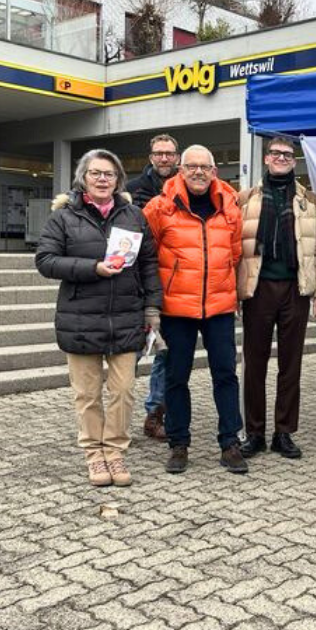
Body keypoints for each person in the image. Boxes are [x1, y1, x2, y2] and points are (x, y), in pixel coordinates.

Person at [36, 149, 161, 487]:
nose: (102, 179)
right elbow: (45, 260)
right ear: (84, 178)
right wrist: (93, 268)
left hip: (126, 316)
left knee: (123, 391)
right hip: (80, 317)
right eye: (96, 173)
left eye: (109, 173)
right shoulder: (64, 217)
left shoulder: (134, 215)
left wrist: (152, 308)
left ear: (118, 179)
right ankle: (94, 455)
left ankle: (115, 451)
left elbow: (149, 264)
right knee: (88, 394)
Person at [143, 145, 246, 475]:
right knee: (176, 377)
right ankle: (178, 443)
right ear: (181, 170)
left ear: (214, 171)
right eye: (191, 166)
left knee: (226, 375)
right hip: (176, 308)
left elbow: (235, 253)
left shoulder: (230, 206)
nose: (198, 172)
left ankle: (230, 442)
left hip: (219, 306)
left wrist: (234, 293)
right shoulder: (159, 207)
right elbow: (147, 255)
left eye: (205, 167)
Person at [237, 137, 316, 460]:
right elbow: (235, 247)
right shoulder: (246, 198)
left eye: (287, 155)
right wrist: (235, 291)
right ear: (266, 159)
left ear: (294, 161)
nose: (281, 158)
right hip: (258, 288)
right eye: (276, 153)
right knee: (255, 364)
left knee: (291, 365)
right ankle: (254, 433)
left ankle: (284, 432)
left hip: (295, 289)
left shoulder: (311, 201)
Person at [128, 134, 181, 442]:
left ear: (177, 157)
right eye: (159, 153)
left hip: (173, 286)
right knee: (130, 354)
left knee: (166, 354)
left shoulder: (185, 189)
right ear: (151, 157)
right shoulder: (133, 190)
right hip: (138, 284)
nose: (164, 158)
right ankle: (117, 416)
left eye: (169, 153)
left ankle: (155, 415)